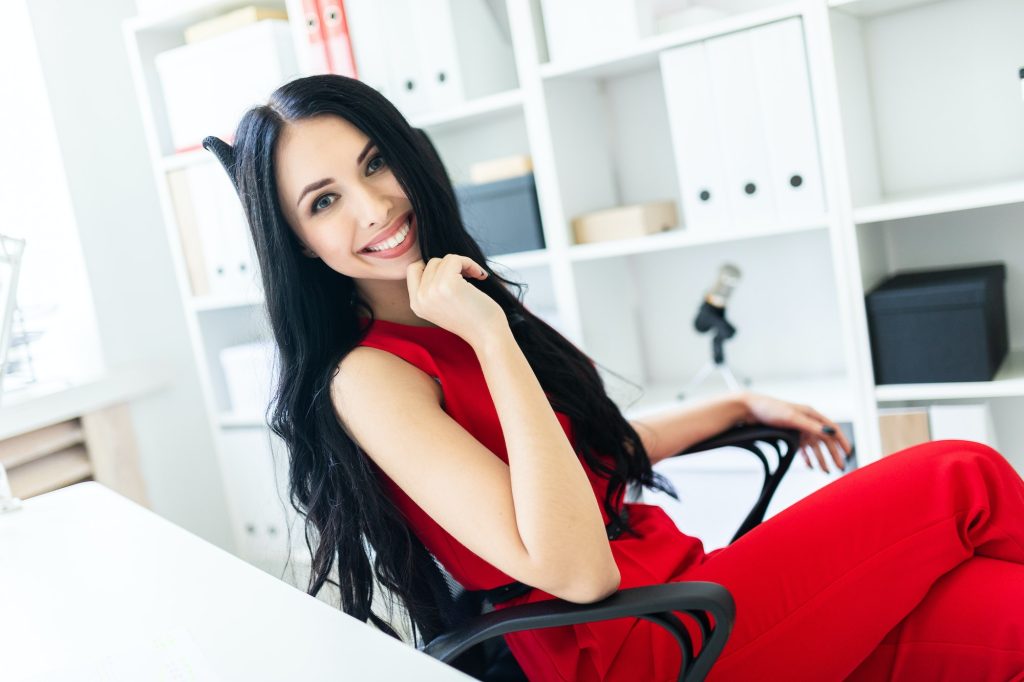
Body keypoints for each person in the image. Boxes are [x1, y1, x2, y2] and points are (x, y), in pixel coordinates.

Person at [206, 74, 1024, 681]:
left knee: (1001, 615)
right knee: (961, 475)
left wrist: (734, 404)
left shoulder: (446, 304)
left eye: (376, 162)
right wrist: (491, 336)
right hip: (638, 649)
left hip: (686, 594)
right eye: (324, 201)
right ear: (298, 243)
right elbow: (576, 569)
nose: (375, 205)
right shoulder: (370, 378)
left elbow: (585, 461)